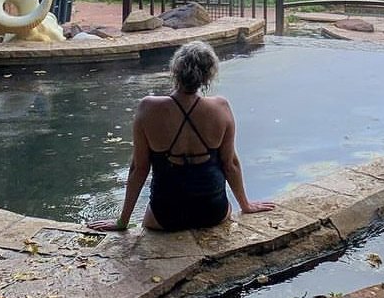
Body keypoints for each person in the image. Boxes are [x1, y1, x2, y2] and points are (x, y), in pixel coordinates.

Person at [86, 40, 275, 232]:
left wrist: (122, 222)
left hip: (165, 216)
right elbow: (230, 164)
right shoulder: (221, 108)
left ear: (175, 71)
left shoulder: (148, 108)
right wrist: (245, 205)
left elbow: (139, 168)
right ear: (208, 76)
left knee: (148, 224)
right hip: (212, 212)